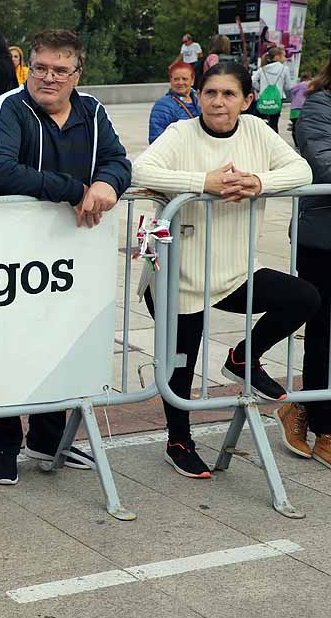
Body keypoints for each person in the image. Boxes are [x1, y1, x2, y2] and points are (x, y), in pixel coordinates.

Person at [134, 62, 316, 478]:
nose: (218, 101)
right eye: (211, 93)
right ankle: (178, 441)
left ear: (247, 100)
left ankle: (243, 358)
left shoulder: (256, 130)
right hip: (178, 276)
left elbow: (301, 169)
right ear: (198, 96)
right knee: (180, 365)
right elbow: (141, 169)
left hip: (233, 272)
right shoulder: (180, 133)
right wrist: (204, 183)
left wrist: (259, 182)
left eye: (229, 94)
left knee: (304, 297)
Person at [0, 29, 132, 486]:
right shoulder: (8, 106)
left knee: (56, 343)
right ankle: (2, 447)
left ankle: (47, 438)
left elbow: (119, 161)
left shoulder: (91, 110)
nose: (48, 77)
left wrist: (106, 184)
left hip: (65, 257)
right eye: (40, 67)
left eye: (60, 70)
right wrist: (74, 190)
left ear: (77, 74)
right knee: (5, 348)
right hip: (4, 256)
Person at [293, 55, 331, 468]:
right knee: (323, 330)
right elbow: (324, 162)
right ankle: (324, 423)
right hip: (324, 240)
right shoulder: (319, 106)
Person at [148, 60, 200, 143]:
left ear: (192, 80)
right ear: (170, 80)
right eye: (176, 79)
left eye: (184, 79)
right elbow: (156, 139)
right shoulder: (162, 105)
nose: (180, 83)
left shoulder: (201, 100)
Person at [252, 45, 293, 131]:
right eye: (284, 56)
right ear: (277, 57)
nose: (285, 58)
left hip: (263, 98)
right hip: (277, 99)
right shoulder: (284, 69)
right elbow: (288, 86)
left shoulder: (262, 69)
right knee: (274, 123)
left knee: (261, 123)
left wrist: (260, 88)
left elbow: (253, 80)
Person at [290, 72, 312, 140]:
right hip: (304, 109)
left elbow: (292, 93)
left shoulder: (296, 86)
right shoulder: (309, 84)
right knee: (305, 128)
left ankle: (296, 145)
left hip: (294, 109)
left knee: (295, 127)